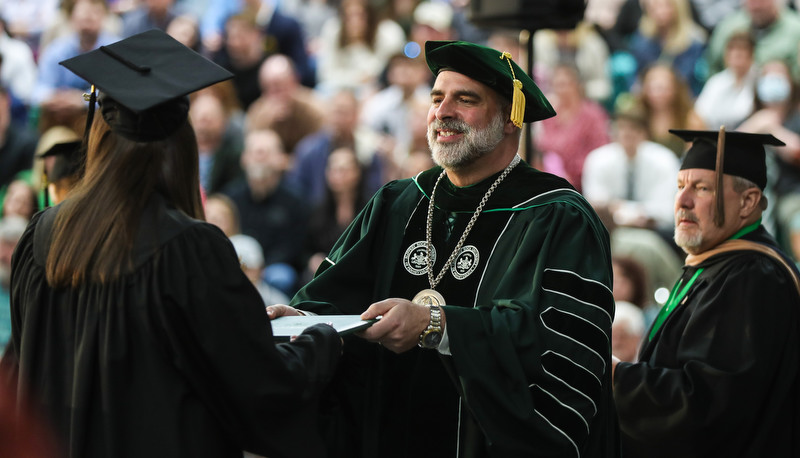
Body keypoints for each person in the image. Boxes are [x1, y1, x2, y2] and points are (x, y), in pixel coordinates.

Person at [0, 29, 342, 457]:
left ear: (98, 133)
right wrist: (322, 340)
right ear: (181, 143)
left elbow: (19, 374)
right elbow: (259, 387)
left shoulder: (42, 234)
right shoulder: (189, 249)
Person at [270, 40, 619, 457]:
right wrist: (305, 319)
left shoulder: (556, 215)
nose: (443, 112)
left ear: (511, 118)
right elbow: (334, 296)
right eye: (436, 98)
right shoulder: (398, 202)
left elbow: (553, 346)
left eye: (465, 99)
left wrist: (437, 324)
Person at [613, 129, 800, 456]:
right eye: (680, 186)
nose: (683, 201)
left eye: (702, 188)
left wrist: (614, 376)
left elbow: (707, 407)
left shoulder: (753, 277)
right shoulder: (713, 265)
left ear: (748, 201)